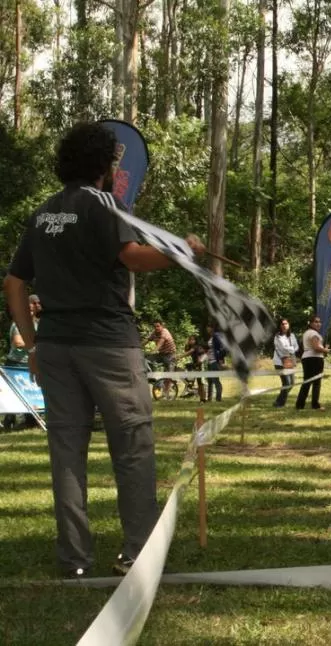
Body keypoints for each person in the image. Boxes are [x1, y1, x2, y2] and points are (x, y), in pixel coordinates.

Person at [1, 121, 205, 578]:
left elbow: (13, 284)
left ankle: (73, 560)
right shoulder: (105, 205)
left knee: (66, 451)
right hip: (108, 344)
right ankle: (138, 553)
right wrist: (182, 251)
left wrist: (31, 345)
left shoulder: (43, 214)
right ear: (105, 166)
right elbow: (133, 258)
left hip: (54, 345)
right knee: (132, 446)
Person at [3, 294, 41, 429]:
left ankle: (31, 421)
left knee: (31, 393)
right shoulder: (18, 323)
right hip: (16, 364)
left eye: (32, 310)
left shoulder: (36, 323)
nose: (31, 311)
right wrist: (35, 347)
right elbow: (18, 342)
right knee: (14, 394)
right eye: (28, 310)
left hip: (30, 363)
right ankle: (9, 421)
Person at [295, 315, 328, 410]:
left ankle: (300, 405)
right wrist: (325, 350)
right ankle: (315, 404)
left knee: (307, 382)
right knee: (316, 382)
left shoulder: (307, 333)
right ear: (310, 323)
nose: (318, 324)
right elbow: (316, 347)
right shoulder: (313, 333)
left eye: (319, 322)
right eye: (316, 322)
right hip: (315, 359)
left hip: (307, 358)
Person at [273, 318, 300, 408]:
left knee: (291, 383)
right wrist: (291, 349)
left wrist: (291, 348)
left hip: (289, 361)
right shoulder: (277, 337)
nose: (285, 326)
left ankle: (278, 401)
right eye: (282, 324)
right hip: (280, 362)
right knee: (287, 383)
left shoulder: (292, 335)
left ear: (289, 325)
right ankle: (280, 403)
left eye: (286, 324)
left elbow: (296, 347)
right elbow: (283, 349)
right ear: (280, 326)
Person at [145, 320, 177, 397]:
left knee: (168, 375)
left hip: (170, 355)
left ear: (162, 326)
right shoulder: (154, 332)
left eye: (158, 326)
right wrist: (137, 347)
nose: (156, 328)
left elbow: (160, 343)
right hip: (161, 354)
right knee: (146, 360)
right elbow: (147, 340)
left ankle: (165, 393)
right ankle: (153, 377)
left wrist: (154, 351)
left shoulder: (164, 332)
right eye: (155, 326)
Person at [178, 334, 208, 402]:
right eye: (190, 339)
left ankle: (204, 399)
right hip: (196, 365)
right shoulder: (192, 346)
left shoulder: (196, 347)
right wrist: (187, 343)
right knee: (199, 383)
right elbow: (186, 350)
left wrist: (179, 357)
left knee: (201, 384)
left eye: (192, 339)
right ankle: (202, 399)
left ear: (195, 340)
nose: (191, 341)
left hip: (200, 365)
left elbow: (188, 353)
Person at [205, 322, 226, 403]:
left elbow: (222, 348)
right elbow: (211, 349)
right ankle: (209, 398)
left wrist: (220, 359)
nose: (207, 329)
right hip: (210, 361)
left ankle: (218, 398)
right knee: (209, 380)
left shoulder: (217, 335)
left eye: (209, 327)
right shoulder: (211, 337)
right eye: (207, 327)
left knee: (215, 380)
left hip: (215, 361)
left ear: (213, 328)